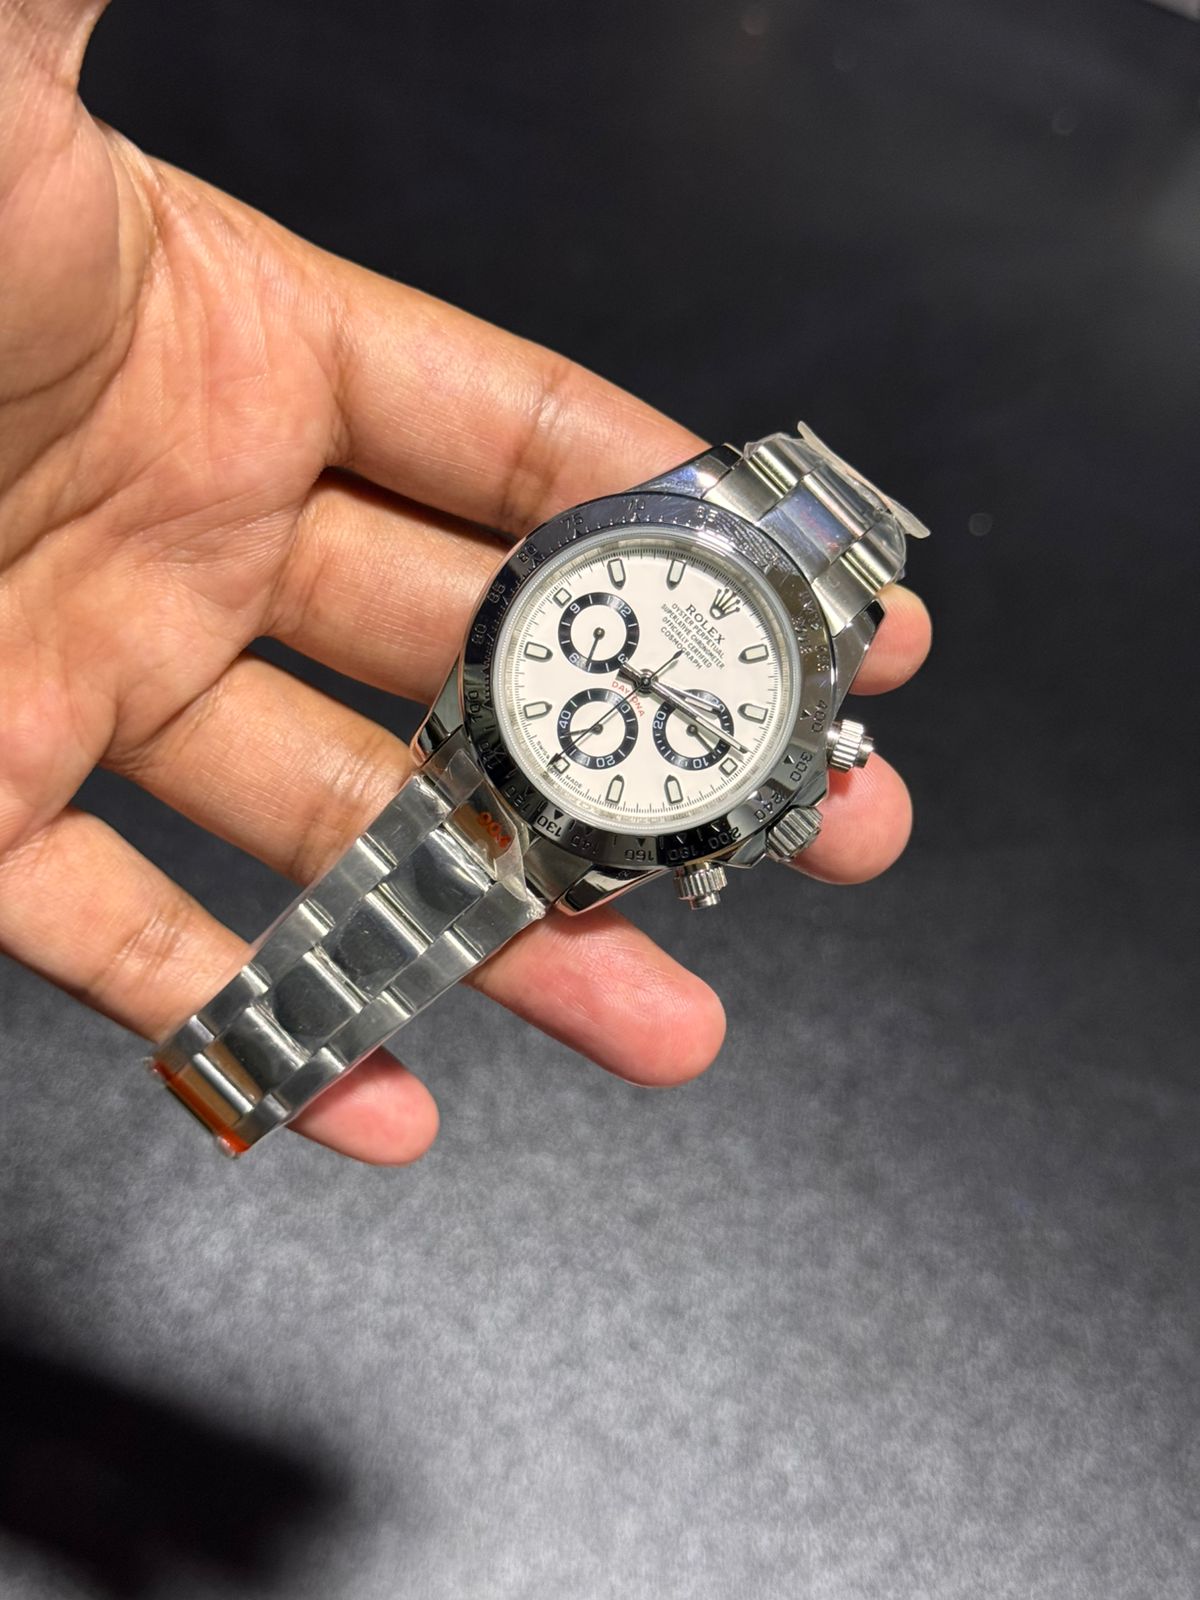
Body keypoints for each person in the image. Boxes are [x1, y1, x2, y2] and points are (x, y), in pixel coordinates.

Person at [0, 1, 931, 1164]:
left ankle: (235, 1069)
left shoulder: (785, 688)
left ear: (770, 794)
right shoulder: (667, 537)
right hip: (498, 742)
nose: (646, 678)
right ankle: (233, 1064)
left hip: (545, 810)